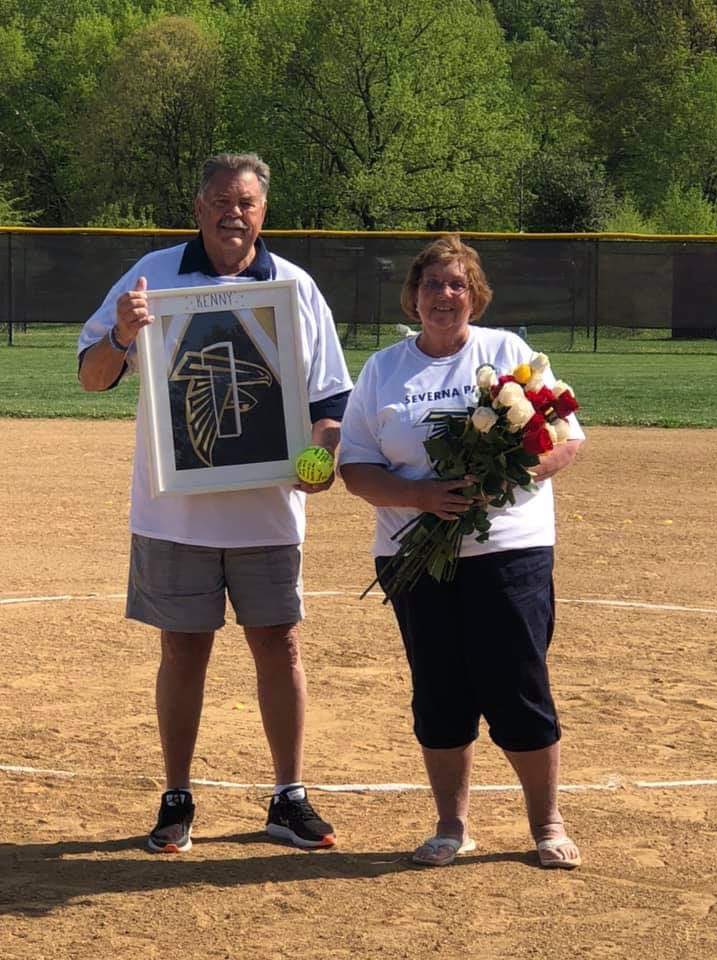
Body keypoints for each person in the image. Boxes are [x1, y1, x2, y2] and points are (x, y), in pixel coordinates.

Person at [77, 152, 353, 853]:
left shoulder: (292, 287)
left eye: (248, 202)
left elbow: (329, 405)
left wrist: (321, 458)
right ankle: (177, 797)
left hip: (267, 511)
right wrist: (122, 333)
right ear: (198, 207)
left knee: (280, 645)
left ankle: (288, 796)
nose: (235, 212)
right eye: (222, 200)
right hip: (176, 512)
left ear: (265, 211)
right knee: (183, 650)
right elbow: (91, 377)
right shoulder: (151, 278)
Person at [338, 235, 585, 868]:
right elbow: (357, 468)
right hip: (413, 554)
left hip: (507, 549)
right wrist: (421, 498)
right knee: (440, 690)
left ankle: (547, 824)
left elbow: (565, 438)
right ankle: (451, 826)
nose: (444, 295)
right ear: (413, 297)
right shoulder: (383, 369)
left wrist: (508, 477)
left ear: (475, 295)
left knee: (517, 684)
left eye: (457, 284)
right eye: (431, 285)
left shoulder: (508, 353)